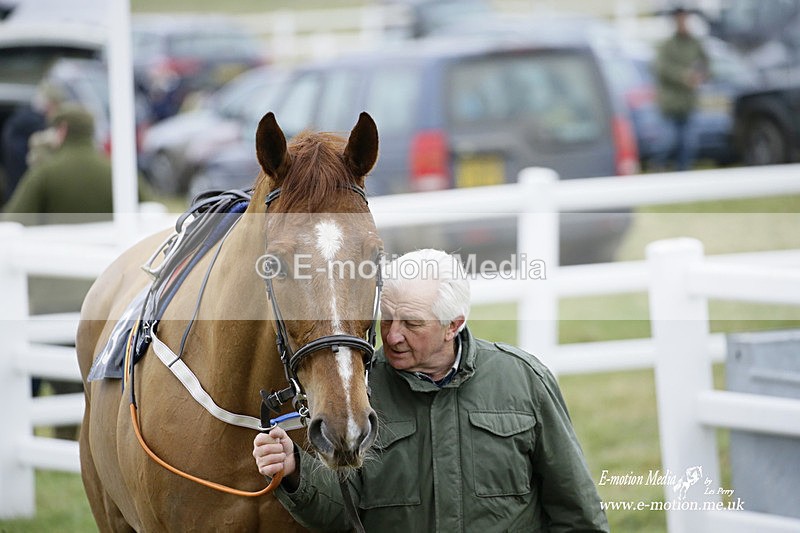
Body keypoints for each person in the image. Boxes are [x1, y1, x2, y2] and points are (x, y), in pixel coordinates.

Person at [254, 249, 609, 531]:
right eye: (388, 318)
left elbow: (576, 509)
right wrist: (295, 471)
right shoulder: (361, 389)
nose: (392, 335)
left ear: (453, 325)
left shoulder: (523, 380)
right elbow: (339, 516)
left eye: (412, 323)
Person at [652, 6, 709, 171]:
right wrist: (683, 76)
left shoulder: (696, 44)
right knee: (666, 142)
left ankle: (683, 178)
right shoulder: (667, 45)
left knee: (688, 145)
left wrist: (701, 75)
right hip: (670, 104)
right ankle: (658, 170)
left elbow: (707, 67)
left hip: (688, 103)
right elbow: (661, 69)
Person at [1, 82, 64, 203]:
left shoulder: (20, 119)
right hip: (23, 184)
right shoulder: (35, 124)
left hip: (14, 184)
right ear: (50, 105)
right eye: (57, 105)